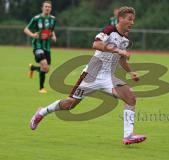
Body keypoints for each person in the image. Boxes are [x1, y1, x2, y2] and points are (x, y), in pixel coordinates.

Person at [29, 6, 146, 145]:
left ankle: (128, 136)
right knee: (69, 104)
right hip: (91, 75)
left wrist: (130, 71)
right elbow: (96, 44)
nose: (132, 22)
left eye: (133, 20)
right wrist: (117, 50)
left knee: (131, 98)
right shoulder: (109, 30)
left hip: (109, 77)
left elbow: (121, 59)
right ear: (120, 19)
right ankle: (42, 112)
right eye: (129, 19)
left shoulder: (125, 39)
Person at [24, 1, 57, 93]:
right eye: (46, 6)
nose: (47, 8)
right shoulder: (36, 18)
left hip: (47, 47)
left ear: (51, 8)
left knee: (46, 69)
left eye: (49, 7)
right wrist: (32, 35)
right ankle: (41, 88)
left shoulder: (53, 19)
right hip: (37, 46)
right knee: (44, 65)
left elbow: (51, 30)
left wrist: (53, 36)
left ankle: (33, 68)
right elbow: (26, 29)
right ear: (42, 8)